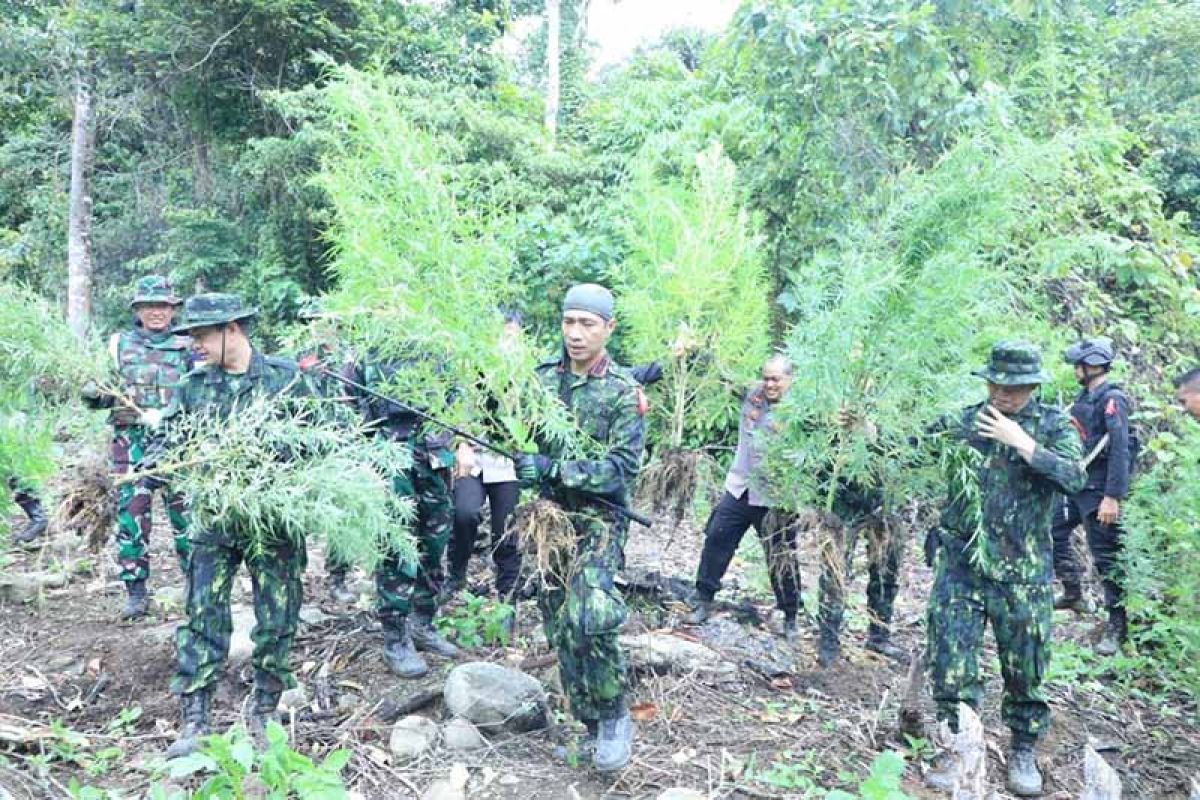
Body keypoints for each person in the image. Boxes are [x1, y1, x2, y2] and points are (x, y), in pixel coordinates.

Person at [163, 293, 323, 758]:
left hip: (272, 521)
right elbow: (169, 441)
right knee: (202, 615)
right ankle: (196, 719)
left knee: (278, 616)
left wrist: (279, 468)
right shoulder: (193, 386)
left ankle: (265, 709)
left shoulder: (286, 378)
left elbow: (321, 439)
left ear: (232, 329)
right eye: (191, 335)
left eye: (201, 334)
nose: (195, 343)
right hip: (215, 519)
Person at [923, 342, 1085, 797]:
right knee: (951, 661)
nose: (1001, 393)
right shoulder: (965, 420)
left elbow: (1075, 478)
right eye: (995, 383)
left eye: (1013, 387)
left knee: (1026, 668)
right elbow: (913, 448)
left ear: (1033, 386)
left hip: (1024, 572)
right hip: (962, 566)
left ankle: (1023, 749)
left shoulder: (1053, 425)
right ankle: (957, 749)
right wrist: (866, 427)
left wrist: (1024, 444)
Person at [514, 283, 646, 772]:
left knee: (589, 612)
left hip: (599, 518)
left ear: (608, 328)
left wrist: (553, 468)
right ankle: (590, 725)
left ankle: (614, 715)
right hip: (549, 520)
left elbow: (619, 469)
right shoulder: (540, 379)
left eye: (587, 323)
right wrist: (524, 459)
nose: (575, 333)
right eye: (569, 322)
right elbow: (515, 427)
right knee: (558, 623)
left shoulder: (623, 391)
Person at [342, 351, 460, 679]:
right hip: (389, 458)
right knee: (397, 545)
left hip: (433, 456)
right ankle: (395, 637)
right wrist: (371, 441)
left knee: (435, 543)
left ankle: (423, 622)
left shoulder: (436, 343)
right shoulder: (365, 352)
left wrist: (449, 436)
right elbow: (347, 401)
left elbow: (458, 398)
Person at [82, 275, 192, 619]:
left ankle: (195, 584)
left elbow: (203, 392)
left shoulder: (189, 345)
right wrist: (99, 397)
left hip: (179, 441)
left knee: (187, 515)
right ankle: (136, 591)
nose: (156, 312)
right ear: (137, 310)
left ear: (172, 310)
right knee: (131, 515)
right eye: (149, 306)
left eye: (162, 306)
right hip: (131, 443)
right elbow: (97, 391)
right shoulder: (119, 345)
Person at [683, 355, 803, 641]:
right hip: (740, 488)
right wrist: (698, 351)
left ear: (790, 380)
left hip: (777, 497)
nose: (769, 384)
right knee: (716, 536)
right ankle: (703, 598)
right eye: (766, 377)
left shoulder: (802, 411)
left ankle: (790, 615)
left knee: (781, 557)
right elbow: (722, 374)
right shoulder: (752, 395)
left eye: (776, 379)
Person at [1051, 337, 1136, 655]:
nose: (1075, 369)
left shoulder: (1113, 399)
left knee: (1107, 557)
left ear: (1094, 365)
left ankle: (1118, 626)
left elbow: (1120, 450)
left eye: (1079, 364)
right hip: (1076, 484)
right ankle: (1073, 592)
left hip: (1100, 489)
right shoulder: (1083, 397)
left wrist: (1113, 496)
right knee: (1054, 532)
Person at [7, 479, 48, 544]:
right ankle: (24, 538)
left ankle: (22, 538)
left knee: (36, 519)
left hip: (24, 491)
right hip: (24, 490)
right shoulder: (22, 488)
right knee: (41, 520)